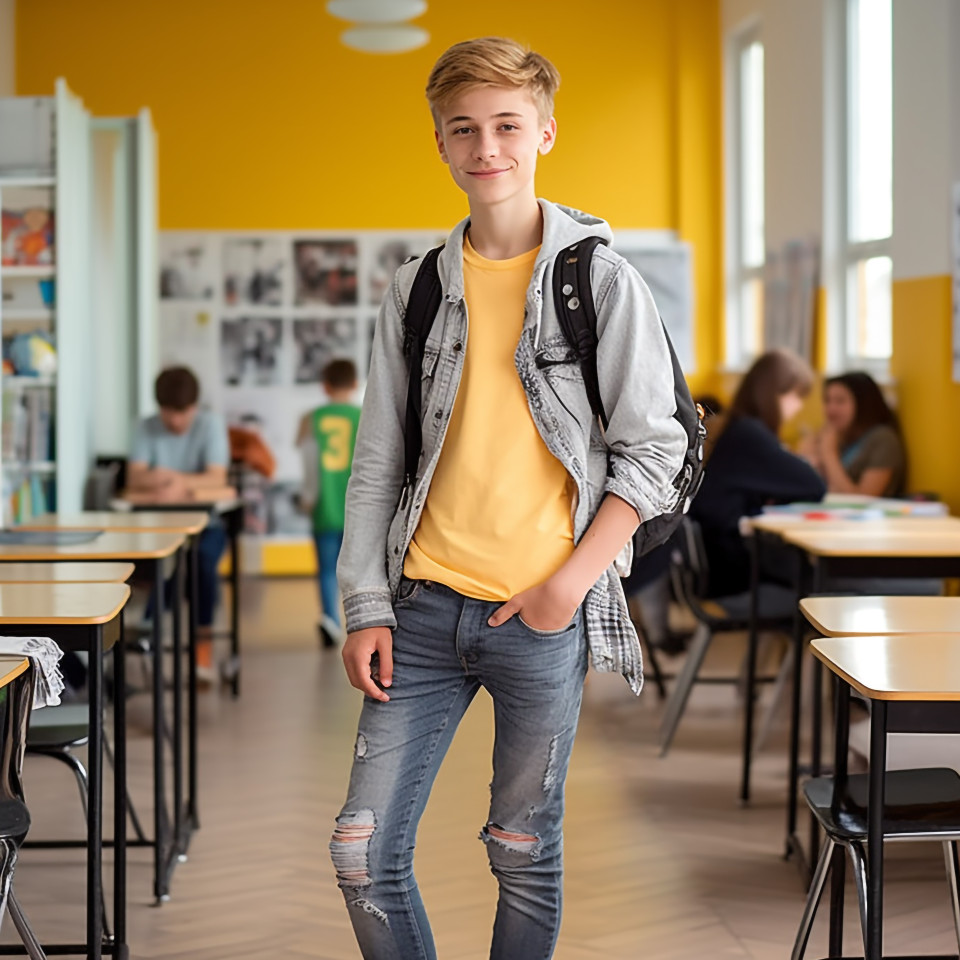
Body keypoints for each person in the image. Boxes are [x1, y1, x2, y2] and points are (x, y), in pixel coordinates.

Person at [330, 37, 687, 960]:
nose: (486, 146)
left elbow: (653, 452)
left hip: (539, 616)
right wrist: (365, 606)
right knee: (362, 854)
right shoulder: (413, 291)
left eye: (506, 126)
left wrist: (568, 586)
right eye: (464, 129)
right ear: (442, 145)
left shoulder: (599, 281)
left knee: (522, 852)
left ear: (545, 133)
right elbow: (376, 465)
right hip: (418, 609)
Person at [690, 349, 827, 598]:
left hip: (717, 563)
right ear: (777, 394)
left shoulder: (733, 427)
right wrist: (809, 456)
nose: (798, 408)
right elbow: (814, 485)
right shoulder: (750, 435)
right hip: (733, 571)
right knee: (824, 579)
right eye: (798, 397)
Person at [127, 366, 230, 683]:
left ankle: (201, 649)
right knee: (156, 569)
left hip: (205, 526)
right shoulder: (145, 427)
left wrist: (174, 482)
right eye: (169, 413)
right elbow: (134, 477)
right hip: (156, 527)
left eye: (182, 413)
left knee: (201, 564)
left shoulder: (210, 425)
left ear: (194, 407)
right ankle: (147, 643)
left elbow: (217, 478)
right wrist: (186, 483)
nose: (175, 421)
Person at [297, 358, 361, 647]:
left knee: (325, 568)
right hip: (357, 509)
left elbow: (310, 462)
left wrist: (308, 498)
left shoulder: (311, 419)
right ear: (355, 384)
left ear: (325, 386)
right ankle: (359, 622)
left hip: (325, 506)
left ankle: (330, 620)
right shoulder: (363, 416)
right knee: (359, 569)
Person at [800, 371, 906, 497]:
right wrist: (809, 459)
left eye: (840, 401)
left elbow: (863, 498)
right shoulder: (839, 437)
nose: (830, 409)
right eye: (827, 400)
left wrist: (828, 454)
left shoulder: (883, 439)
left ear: (863, 404)